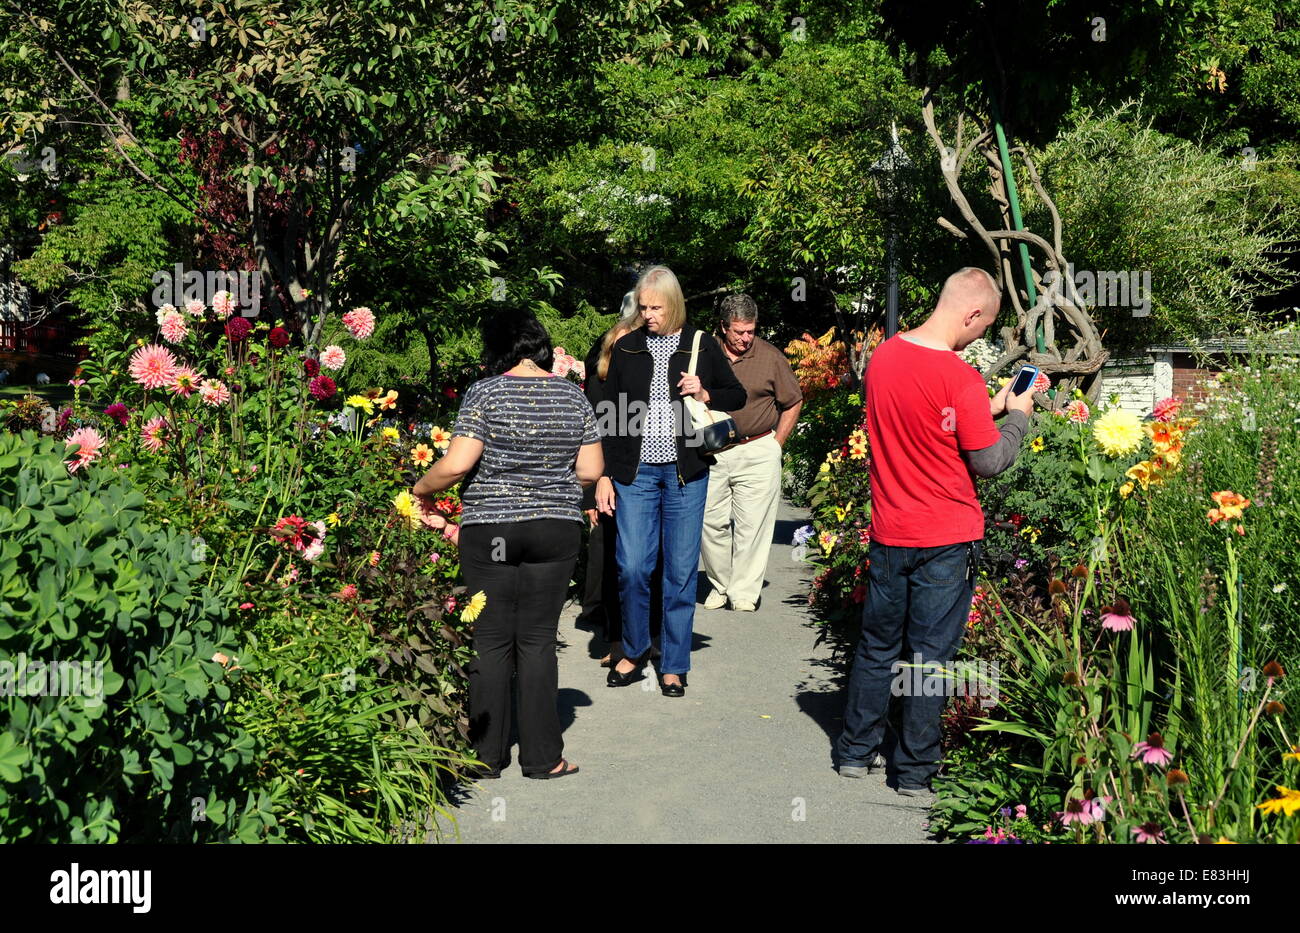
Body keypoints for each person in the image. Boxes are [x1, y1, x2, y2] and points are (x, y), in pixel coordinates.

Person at [835, 267, 1034, 795]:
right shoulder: (960, 377)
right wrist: (1016, 416)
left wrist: (982, 408)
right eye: (984, 325)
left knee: (878, 646)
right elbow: (989, 460)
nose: (980, 336)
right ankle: (915, 772)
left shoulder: (883, 358)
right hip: (945, 538)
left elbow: (926, 418)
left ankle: (855, 753)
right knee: (929, 657)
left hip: (890, 531)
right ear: (971, 313)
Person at [413, 307, 603, 780]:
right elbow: (590, 471)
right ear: (539, 344)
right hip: (554, 530)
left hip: (493, 529)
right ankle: (543, 758)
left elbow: (458, 464)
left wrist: (420, 490)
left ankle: (484, 757)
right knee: (537, 640)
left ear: (497, 346)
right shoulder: (573, 395)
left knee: (492, 639)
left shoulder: (486, 392)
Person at [595, 265, 746, 697]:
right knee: (632, 566)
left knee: (679, 572)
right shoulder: (627, 348)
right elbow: (608, 414)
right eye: (642, 307)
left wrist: (704, 392)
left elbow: (736, 396)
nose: (647, 315)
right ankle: (635, 647)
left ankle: (674, 664)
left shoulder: (700, 345)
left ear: (674, 304)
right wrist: (604, 473)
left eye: (655, 307)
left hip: (686, 474)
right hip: (634, 474)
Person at [699, 294, 803, 612]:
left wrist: (776, 443)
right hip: (711, 449)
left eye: (751, 331)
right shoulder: (703, 352)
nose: (746, 338)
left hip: (757, 447)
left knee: (752, 525)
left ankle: (743, 592)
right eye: (738, 331)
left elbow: (793, 401)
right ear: (723, 327)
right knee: (709, 521)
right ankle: (721, 583)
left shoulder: (770, 357)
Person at [578, 290, 641, 666]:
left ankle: (635, 637)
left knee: (634, 558)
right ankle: (614, 634)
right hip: (610, 468)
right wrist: (597, 480)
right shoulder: (604, 362)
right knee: (612, 552)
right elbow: (596, 425)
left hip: (641, 468)